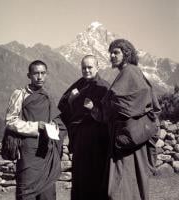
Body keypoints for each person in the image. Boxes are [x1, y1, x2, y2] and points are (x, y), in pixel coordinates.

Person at [88, 39, 161, 200]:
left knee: (120, 185)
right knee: (133, 181)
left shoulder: (130, 73)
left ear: (127, 54)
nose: (112, 56)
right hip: (132, 137)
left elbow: (128, 101)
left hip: (128, 138)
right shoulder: (130, 72)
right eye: (111, 53)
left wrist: (101, 107)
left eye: (116, 52)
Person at [5, 60, 66, 200]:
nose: (40, 77)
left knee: (47, 193)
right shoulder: (20, 94)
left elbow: (57, 120)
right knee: (26, 192)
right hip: (28, 152)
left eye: (43, 73)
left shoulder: (48, 96)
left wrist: (55, 126)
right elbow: (10, 121)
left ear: (47, 75)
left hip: (46, 151)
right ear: (29, 75)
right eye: (36, 73)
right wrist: (36, 126)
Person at [58, 55, 110, 200]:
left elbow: (109, 115)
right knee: (80, 177)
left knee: (95, 177)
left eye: (90, 67)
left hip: (97, 140)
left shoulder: (104, 87)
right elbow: (64, 105)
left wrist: (94, 109)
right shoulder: (79, 85)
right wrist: (71, 100)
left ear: (97, 68)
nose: (86, 70)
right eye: (83, 68)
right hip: (80, 138)